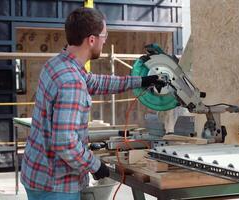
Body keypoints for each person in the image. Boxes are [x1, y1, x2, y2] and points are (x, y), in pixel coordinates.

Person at [20, 7, 164, 200]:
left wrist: (142, 80)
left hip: (38, 173)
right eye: (104, 35)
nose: (105, 41)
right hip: (56, 185)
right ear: (91, 40)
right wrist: (95, 165)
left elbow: (96, 82)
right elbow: (65, 143)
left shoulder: (57, 64)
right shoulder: (71, 81)